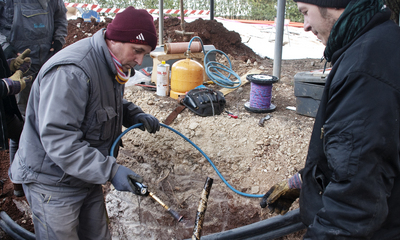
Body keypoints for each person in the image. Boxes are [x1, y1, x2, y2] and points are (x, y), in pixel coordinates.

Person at [9, 6, 160, 239]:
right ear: (115, 39)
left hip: (84, 175)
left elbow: (103, 101)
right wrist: (111, 170)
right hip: (53, 183)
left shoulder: (110, 61)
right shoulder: (73, 71)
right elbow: (60, 139)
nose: (140, 61)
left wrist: (134, 114)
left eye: (144, 53)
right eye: (137, 51)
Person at [260, 0, 400, 239]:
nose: (305, 25)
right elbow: (367, 153)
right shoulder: (379, 42)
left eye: (305, 12)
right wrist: (306, 181)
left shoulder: (363, 70)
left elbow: (354, 204)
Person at [0, 0, 68, 196]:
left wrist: (58, 41)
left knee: (48, 116)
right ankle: (18, 180)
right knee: (22, 123)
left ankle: (44, 173)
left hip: (45, 61)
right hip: (17, 65)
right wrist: (8, 50)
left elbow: (60, 17)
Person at [0, 47, 31, 196]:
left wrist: (8, 66)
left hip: (5, 109)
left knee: (22, 134)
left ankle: (18, 182)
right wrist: (5, 86)